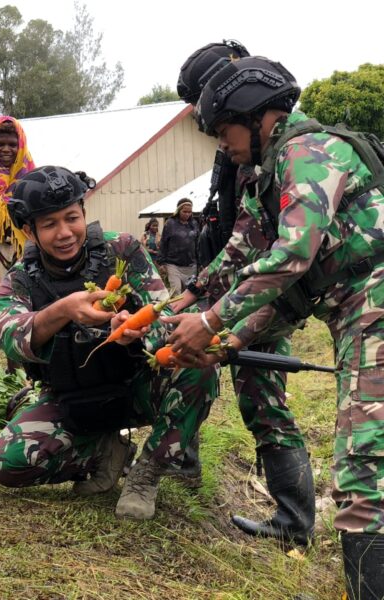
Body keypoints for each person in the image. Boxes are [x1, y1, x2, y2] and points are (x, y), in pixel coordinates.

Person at [163, 56, 384, 598]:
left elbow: (291, 255)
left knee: (364, 468)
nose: (222, 145)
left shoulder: (306, 152)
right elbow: (297, 290)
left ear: (255, 115)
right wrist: (232, 340)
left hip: (374, 306)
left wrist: (210, 318)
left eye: (223, 131)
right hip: (358, 306)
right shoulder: (279, 164)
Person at [0, 165, 217, 520]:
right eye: (49, 225)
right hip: (71, 397)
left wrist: (137, 330)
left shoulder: (121, 250)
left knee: (196, 369)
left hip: (136, 383)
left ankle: (146, 474)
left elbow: (159, 313)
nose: (64, 233)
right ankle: (104, 453)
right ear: (30, 231)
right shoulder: (20, 279)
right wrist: (64, 309)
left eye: (72, 218)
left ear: (83, 212)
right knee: (6, 462)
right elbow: (9, 337)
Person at [172, 41, 315, 548]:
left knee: (261, 394)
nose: (208, 127)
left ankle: (295, 523)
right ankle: (182, 459)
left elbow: (279, 246)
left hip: (271, 288)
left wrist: (211, 315)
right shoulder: (247, 148)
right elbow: (242, 235)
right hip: (247, 282)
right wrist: (194, 291)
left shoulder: (290, 149)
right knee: (250, 391)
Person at [0, 116, 36, 272]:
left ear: (21, 145)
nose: (6, 149)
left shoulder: (33, 177)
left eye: (12, 144)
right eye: (0, 144)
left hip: (27, 256)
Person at [158, 198, 198, 294]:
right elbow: (163, 243)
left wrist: (201, 263)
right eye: (184, 211)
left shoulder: (194, 224)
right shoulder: (170, 223)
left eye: (189, 212)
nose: (187, 214)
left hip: (191, 266)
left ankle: (185, 310)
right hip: (173, 265)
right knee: (176, 291)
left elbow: (198, 244)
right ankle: (175, 309)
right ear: (178, 210)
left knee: (189, 294)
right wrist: (161, 262)